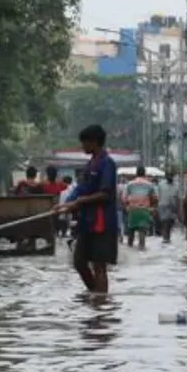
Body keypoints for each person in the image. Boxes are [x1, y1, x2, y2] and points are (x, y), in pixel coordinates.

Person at [55, 125, 119, 293]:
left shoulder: (107, 164)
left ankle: (101, 304)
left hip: (102, 221)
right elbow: (80, 189)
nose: (82, 146)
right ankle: (95, 294)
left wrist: (81, 201)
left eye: (84, 143)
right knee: (79, 262)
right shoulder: (90, 165)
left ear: (94, 142)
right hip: (87, 221)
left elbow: (105, 194)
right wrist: (65, 204)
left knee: (99, 265)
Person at [122, 166, 158, 250]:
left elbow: (123, 198)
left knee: (131, 231)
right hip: (144, 210)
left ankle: (130, 249)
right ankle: (142, 247)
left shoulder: (129, 184)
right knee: (142, 231)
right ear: (144, 174)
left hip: (132, 210)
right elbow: (155, 198)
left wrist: (127, 206)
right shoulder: (149, 185)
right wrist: (153, 208)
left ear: (136, 173)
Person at [156, 171, 181, 244]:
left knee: (170, 222)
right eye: (168, 176)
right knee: (165, 221)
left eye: (171, 175)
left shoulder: (177, 185)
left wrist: (178, 209)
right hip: (163, 205)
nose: (170, 177)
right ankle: (165, 238)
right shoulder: (161, 184)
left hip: (172, 207)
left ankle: (167, 237)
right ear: (166, 176)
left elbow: (178, 197)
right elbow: (158, 195)